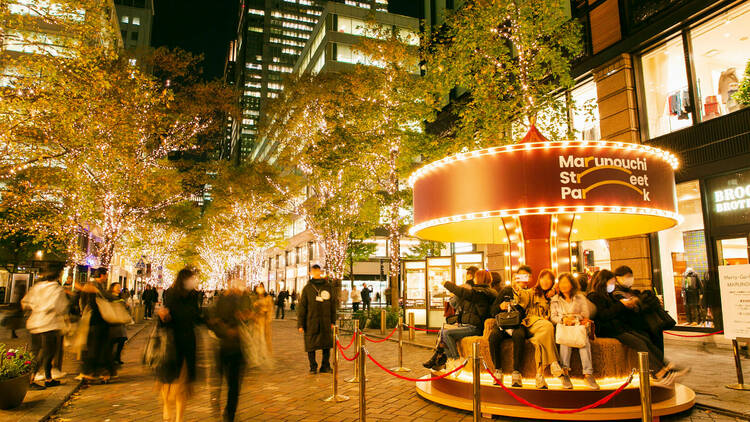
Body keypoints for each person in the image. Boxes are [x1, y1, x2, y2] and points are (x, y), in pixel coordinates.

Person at [588, 270, 687, 386]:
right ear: (603, 282)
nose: (612, 286)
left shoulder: (609, 295)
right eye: (611, 282)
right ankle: (659, 373)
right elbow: (604, 314)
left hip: (619, 327)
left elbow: (616, 310)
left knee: (645, 339)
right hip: (609, 330)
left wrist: (629, 304)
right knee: (639, 344)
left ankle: (665, 366)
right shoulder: (594, 296)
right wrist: (622, 305)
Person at [488, 266, 564, 388]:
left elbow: (524, 300)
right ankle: (498, 370)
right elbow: (493, 310)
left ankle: (517, 372)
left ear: (530, 278)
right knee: (493, 336)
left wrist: (553, 292)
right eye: (520, 276)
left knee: (520, 336)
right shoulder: (508, 290)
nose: (523, 279)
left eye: (526, 277)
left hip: (519, 324)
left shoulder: (534, 292)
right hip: (504, 323)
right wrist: (501, 306)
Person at [423, 269, 496, 371]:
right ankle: (445, 359)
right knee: (442, 332)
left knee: (447, 334)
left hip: (474, 327)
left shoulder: (482, 293)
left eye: (475, 277)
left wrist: (446, 283)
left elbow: (461, 292)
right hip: (467, 325)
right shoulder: (476, 293)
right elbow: (459, 304)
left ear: (479, 278)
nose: (474, 279)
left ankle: (456, 360)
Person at [157, 268, 203, 422]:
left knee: (183, 385)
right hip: (171, 344)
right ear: (184, 280)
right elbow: (165, 319)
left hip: (188, 343)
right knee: (167, 382)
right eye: (192, 279)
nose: (194, 281)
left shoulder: (194, 295)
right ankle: (166, 406)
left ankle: (179, 418)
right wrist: (164, 317)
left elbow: (196, 317)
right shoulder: (170, 293)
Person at [208, 279, 250, 422]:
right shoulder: (229, 301)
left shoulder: (223, 300)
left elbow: (212, 321)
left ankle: (221, 406)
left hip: (226, 347)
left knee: (223, 381)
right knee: (232, 385)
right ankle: (228, 413)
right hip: (230, 347)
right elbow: (214, 321)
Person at [550, 273, 599, 390]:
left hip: (578, 326)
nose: (564, 285)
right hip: (564, 327)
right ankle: (565, 373)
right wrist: (563, 319)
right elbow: (553, 317)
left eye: (566, 282)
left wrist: (575, 319)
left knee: (584, 342)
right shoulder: (555, 300)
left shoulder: (580, 297)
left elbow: (585, 314)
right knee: (565, 343)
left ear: (572, 284)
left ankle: (588, 374)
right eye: (561, 283)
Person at [22, 267, 68, 389]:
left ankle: (46, 378)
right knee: (48, 353)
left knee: (35, 351)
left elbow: (25, 302)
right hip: (49, 325)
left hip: (34, 323)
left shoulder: (37, 287)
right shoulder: (57, 289)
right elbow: (60, 307)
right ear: (58, 277)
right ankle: (32, 380)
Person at [77, 268, 118, 382]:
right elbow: (103, 297)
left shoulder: (95, 286)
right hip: (97, 319)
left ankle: (95, 372)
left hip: (97, 319)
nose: (106, 277)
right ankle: (97, 371)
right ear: (102, 275)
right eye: (105, 275)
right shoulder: (94, 286)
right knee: (98, 346)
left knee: (98, 346)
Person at [297, 264, 336, 374]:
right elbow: (302, 306)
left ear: (320, 272)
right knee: (311, 345)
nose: (316, 272)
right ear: (311, 273)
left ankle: (325, 365)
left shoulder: (328, 286)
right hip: (311, 320)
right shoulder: (307, 288)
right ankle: (313, 366)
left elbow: (333, 305)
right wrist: (301, 324)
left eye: (318, 270)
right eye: (314, 271)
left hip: (325, 320)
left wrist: (333, 321)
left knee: (326, 345)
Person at [108, 283, 128, 366]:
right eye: (117, 287)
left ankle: (117, 357)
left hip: (121, 322)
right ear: (112, 288)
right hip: (113, 322)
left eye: (119, 287)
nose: (119, 288)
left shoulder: (121, 297)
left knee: (122, 340)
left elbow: (125, 307)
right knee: (113, 341)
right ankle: (111, 358)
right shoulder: (110, 297)